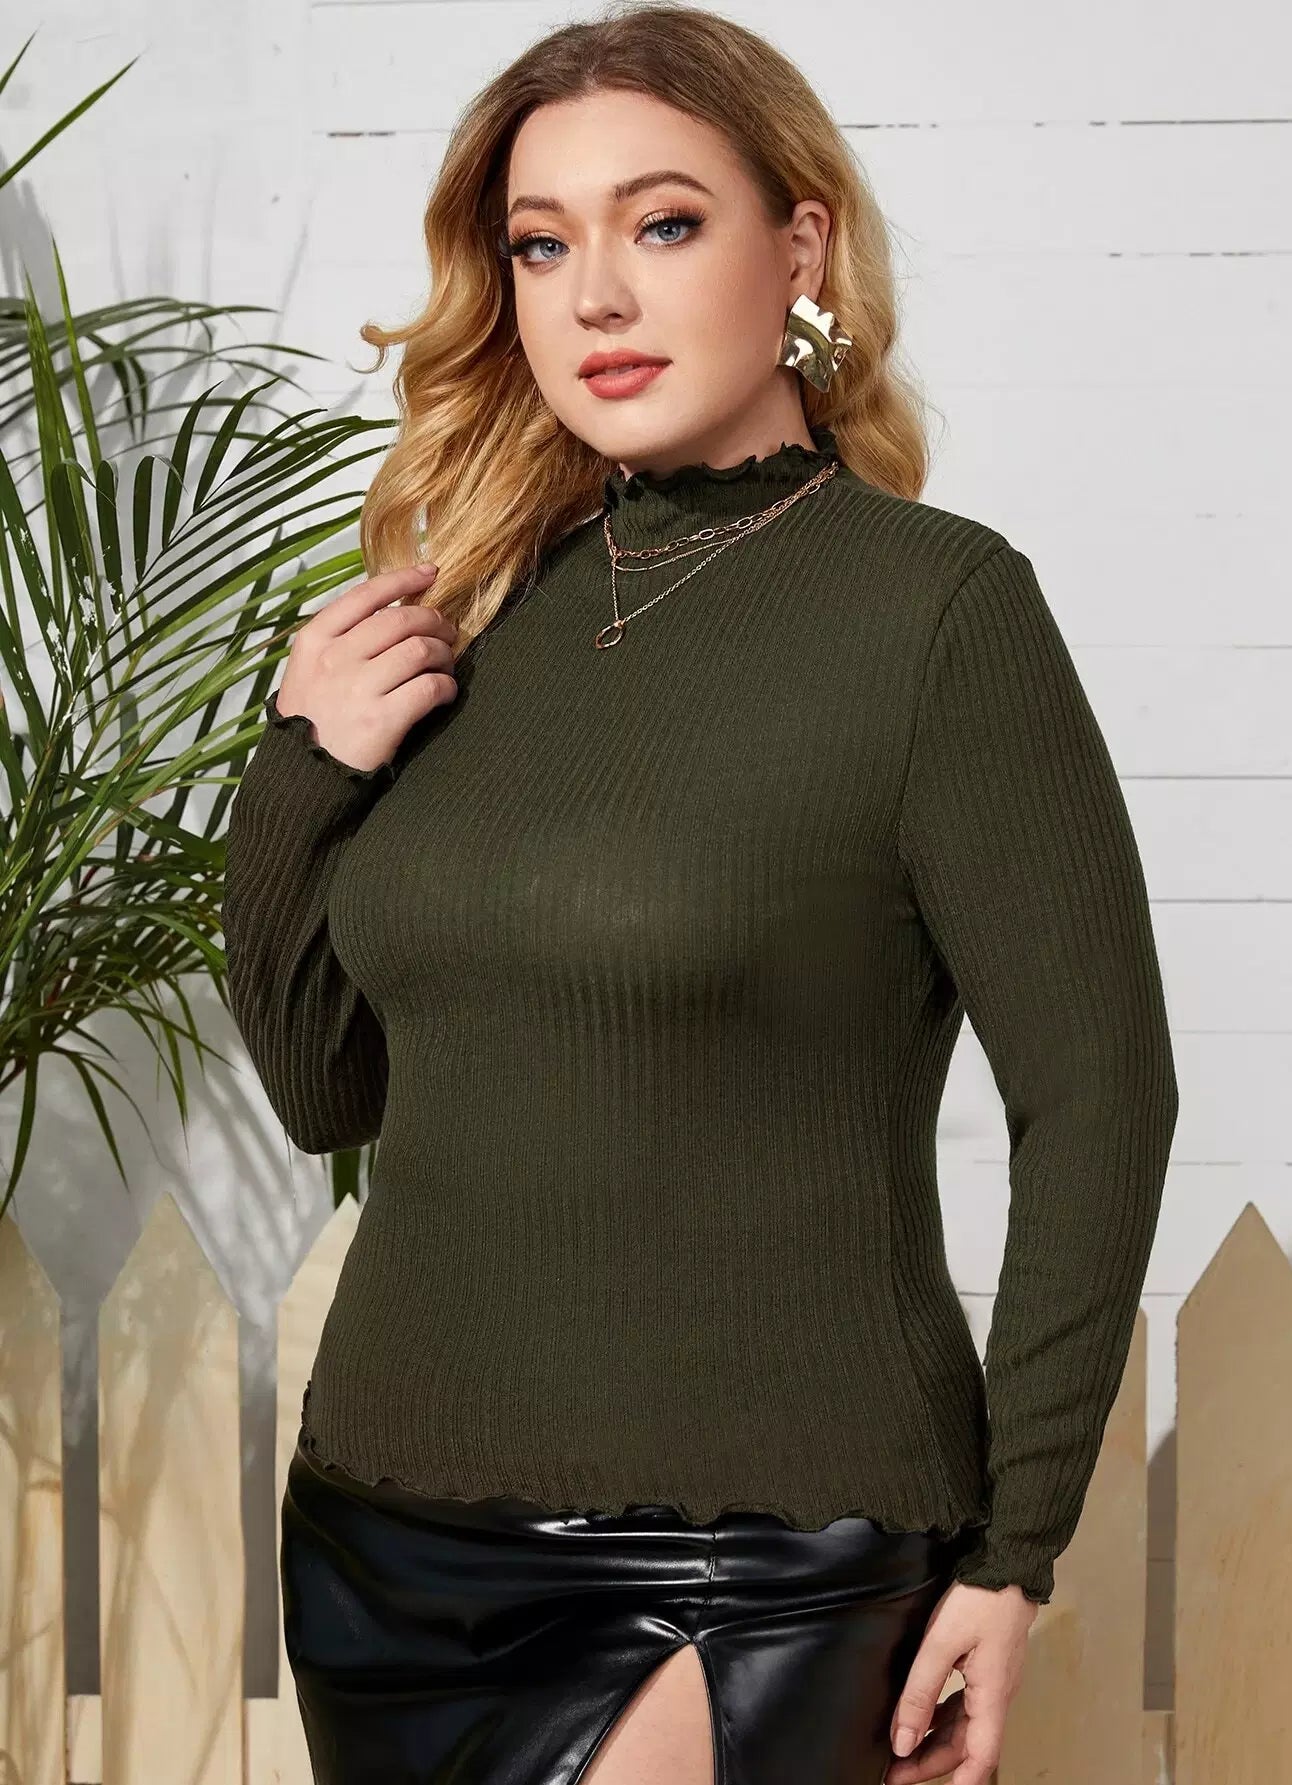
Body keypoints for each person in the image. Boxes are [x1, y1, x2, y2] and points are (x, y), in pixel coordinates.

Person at [221, 7, 1179, 1783]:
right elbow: (325, 1088)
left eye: (662, 224)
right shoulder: (475, 603)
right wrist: (303, 764)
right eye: (541, 244)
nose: (596, 294)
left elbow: (1101, 1094)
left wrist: (1016, 1548)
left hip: (744, 1557)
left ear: (799, 246)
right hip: (378, 1541)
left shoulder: (936, 612)